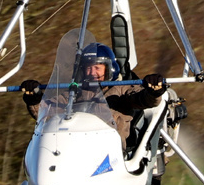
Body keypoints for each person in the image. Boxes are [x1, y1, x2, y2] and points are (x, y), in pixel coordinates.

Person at [20, 44, 166, 143]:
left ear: (109, 69)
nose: (92, 72)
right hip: (76, 148)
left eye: (97, 68)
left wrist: (153, 92)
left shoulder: (122, 89)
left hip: (110, 153)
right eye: (88, 68)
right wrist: (34, 98)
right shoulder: (75, 92)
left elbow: (142, 99)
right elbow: (47, 112)